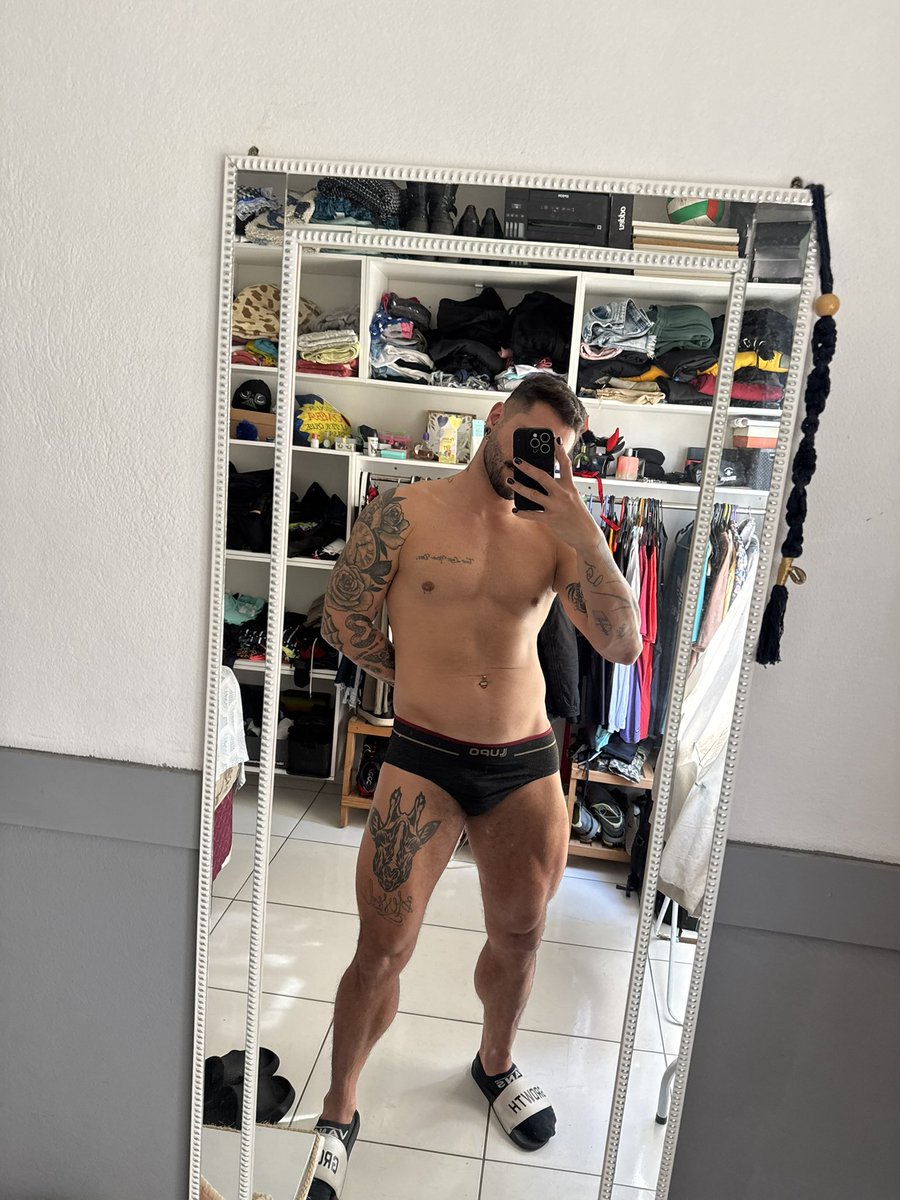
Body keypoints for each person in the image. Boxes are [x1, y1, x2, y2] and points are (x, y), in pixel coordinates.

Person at [310, 374, 641, 1199]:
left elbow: (624, 645)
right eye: (532, 439)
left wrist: (585, 533)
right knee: (381, 948)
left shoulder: (559, 535)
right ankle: (339, 1106)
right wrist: (416, 674)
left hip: (524, 765)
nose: (539, 461)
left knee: (521, 937)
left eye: (558, 452)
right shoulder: (404, 512)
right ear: (496, 421)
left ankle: (495, 1064)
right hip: (423, 757)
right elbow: (344, 620)